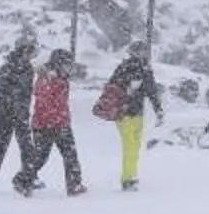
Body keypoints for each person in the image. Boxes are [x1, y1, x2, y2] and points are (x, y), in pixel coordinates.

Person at [94, 44, 166, 191]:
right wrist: (128, 90)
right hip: (125, 113)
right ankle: (127, 179)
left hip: (134, 114)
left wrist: (158, 109)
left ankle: (131, 176)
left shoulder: (137, 68)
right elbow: (112, 89)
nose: (142, 54)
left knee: (134, 147)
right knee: (131, 147)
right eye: (139, 51)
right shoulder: (130, 68)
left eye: (143, 51)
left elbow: (151, 91)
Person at [18, 50, 86, 197]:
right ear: (59, 63)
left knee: (70, 155)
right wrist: (52, 121)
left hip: (60, 122)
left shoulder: (60, 77)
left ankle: (74, 184)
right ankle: (22, 180)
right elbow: (43, 101)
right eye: (67, 64)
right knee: (40, 156)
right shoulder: (46, 79)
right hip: (46, 124)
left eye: (70, 65)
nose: (69, 68)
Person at [0, 35, 36, 192]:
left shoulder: (29, 69)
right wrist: (1, 112)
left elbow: (27, 93)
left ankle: (27, 178)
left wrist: (24, 111)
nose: (31, 57)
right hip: (4, 114)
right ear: (21, 52)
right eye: (29, 53)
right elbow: (1, 93)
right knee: (0, 146)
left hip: (21, 115)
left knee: (27, 147)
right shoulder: (7, 68)